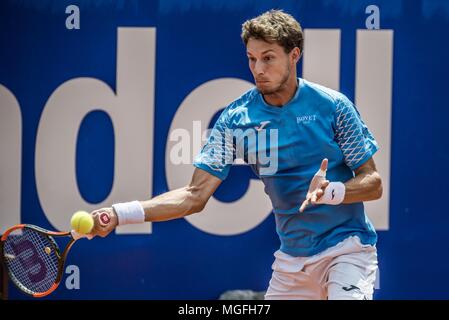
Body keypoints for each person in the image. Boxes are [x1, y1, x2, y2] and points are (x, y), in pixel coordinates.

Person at [88, 9, 382, 300]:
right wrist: (118, 214)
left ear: (294, 55)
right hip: (292, 263)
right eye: (252, 59)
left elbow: (373, 182)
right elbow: (194, 195)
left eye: (268, 58)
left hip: (348, 249)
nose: (258, 69)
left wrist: (332, 191)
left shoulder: (334, 107)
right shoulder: (236, 119)